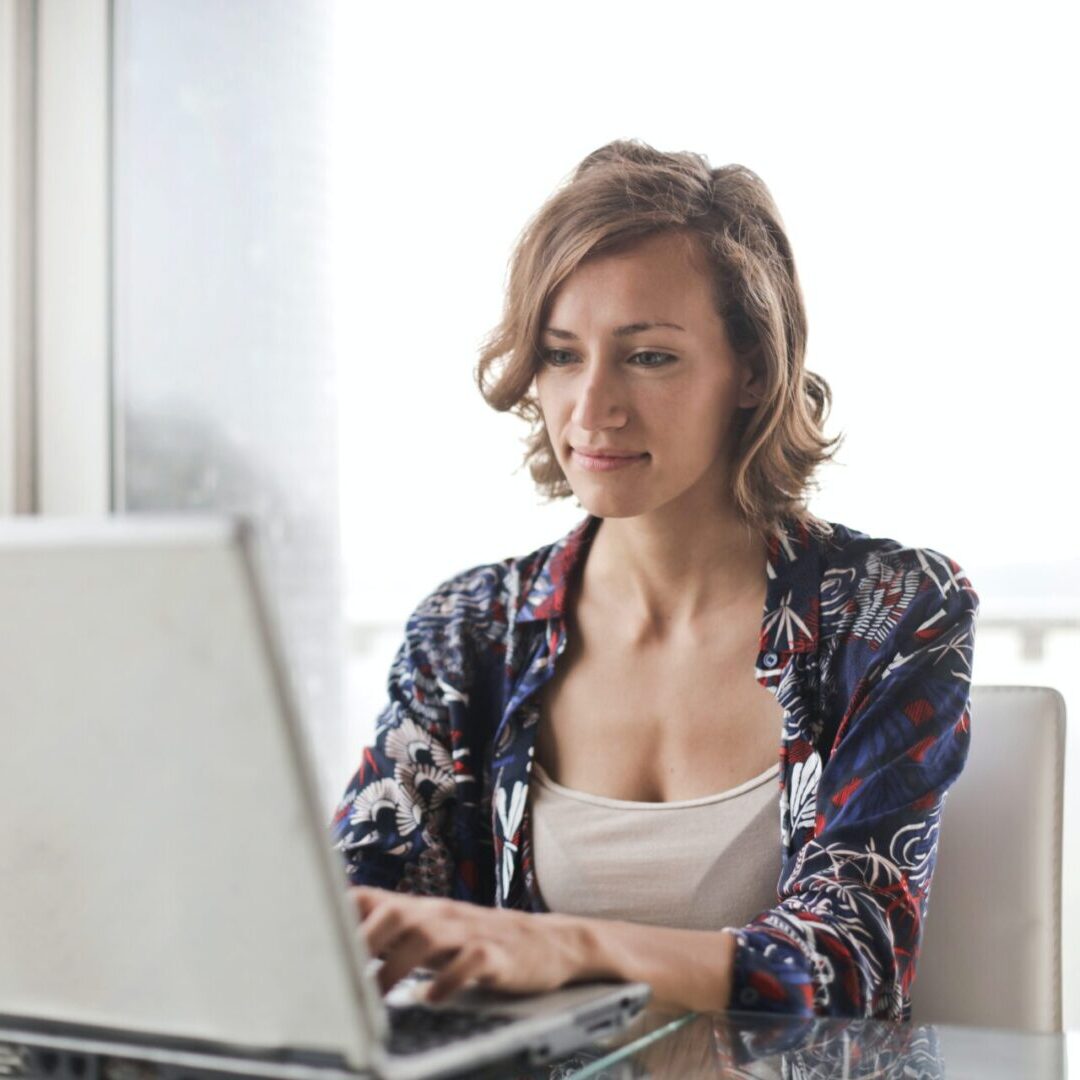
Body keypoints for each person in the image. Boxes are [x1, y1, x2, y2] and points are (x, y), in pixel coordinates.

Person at [330, 139, 979, 1020]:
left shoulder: (891, 611)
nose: (591, 407)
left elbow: (855, 963)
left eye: (649, 357)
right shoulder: (472, 629)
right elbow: (350, 919)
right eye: (561, 355)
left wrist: (570, 946)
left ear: (751, 371)